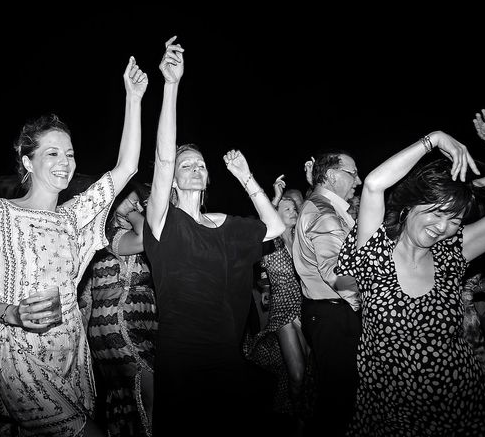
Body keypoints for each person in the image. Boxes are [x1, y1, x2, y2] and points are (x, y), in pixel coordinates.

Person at [0, 56, 147, 436]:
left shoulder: (73, 217)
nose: (65, 162)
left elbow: (125, 167)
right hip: (23, 361)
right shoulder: (2, 213)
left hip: (72, 355)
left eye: (70, 153)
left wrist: (133, 98)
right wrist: (11, 313)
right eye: (52, 153)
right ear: (28, 161)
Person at [142, 36, 286, 437]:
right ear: (171, 180)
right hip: (182, 360)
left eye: (200, 165)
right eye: (185, 164)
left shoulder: (225, 225)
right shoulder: (163, 222)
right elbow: (164, 155)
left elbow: (275, 228)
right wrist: (171, 86)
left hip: (227, 358)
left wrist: (246, 177)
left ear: (207, 178)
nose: (193, 168)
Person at [335, 128, 485, 435]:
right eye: (437, 213)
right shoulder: (374, 252)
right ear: (411, 206)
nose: (443, 227)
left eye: (455, 220)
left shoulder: (452, 253)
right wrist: (433, 139)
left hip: (460, 408)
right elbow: (375, 184)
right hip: (389, 414)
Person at [291, 149, 362, 437]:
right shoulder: (323, 212)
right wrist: (369, 305)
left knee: (334, 396)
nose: (357, 181)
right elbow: (338, 274)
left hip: (326, 313)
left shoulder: (320, 205)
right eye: (353, 173)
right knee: (339, 402)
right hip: (335, 313)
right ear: (332, 176)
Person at [87, 181, 157, 437]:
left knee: (130, 400)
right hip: (119, 325)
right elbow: (143, 239)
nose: (137, 206)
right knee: (148, 392)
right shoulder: (110, 234)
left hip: (137, 324)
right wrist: (128, 212)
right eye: (130, 200)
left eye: (139, 203)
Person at [243, 174, 311, 435]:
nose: (293, 210)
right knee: (297, 374)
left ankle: (304, 413)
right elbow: (258, 226)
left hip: (307, 309)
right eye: (286, 208)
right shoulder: (270, 242)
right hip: (284, 313)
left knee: (307, 373)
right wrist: (272, 200)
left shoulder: (304, 240)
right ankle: (299, 423)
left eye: (294, 207)